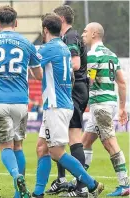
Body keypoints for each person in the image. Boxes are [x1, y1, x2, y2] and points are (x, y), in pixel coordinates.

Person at [32, 14, 104, 198]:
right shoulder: (64, 47)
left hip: (56, 105)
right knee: (42, 147)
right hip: (60, 103)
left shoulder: (48, 48)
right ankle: (38, 193)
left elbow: (36, 73)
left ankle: (91, 184)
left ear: (45, 29)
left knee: (56, 151)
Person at [0, 5, 42, 198]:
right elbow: (38, 75)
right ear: (16, 23)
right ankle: (19, 193)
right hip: (20, 100)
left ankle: (16, 176)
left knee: (5, 147)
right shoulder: (26, 43)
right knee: (18, 146)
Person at [45, 5, 89, 197]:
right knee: (59, 138)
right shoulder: (65, 38)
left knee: (73, 137)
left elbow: (76, 64)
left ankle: (83, 187)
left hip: (74, 88)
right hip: (72, 89)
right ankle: (62, 180)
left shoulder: (70, 37)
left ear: (61, 19)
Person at [81, 22, 129, 197]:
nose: (83, 34)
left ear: (94, 34)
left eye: (85, 31)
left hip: (100, 104)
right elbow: (122, 83)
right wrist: (122, 108)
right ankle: (82, 182)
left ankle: (124, 184)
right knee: (85, 142)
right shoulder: (112, 55)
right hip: (108, 103)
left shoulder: (93, 55)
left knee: (110, 143)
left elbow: (90, 82)